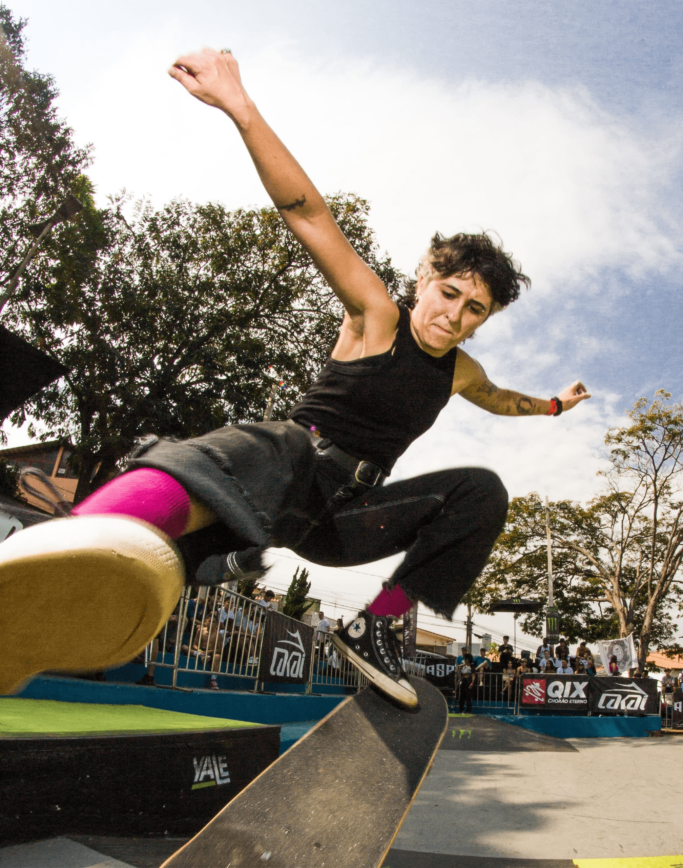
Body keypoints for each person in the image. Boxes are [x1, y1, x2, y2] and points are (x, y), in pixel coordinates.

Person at [0, 48, 591, 708]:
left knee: (481, 492)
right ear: (424, 278)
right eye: (447, 293)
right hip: (286, 469)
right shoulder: (377, 312)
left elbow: (501, 401)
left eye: (472, 309)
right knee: (254, 451)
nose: (452, 315)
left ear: (485, 318)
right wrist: (240, 108)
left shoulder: (461, 371)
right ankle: (61, 548)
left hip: (347, 518)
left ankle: (374, 627)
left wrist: (553, 408)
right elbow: (307, 213)